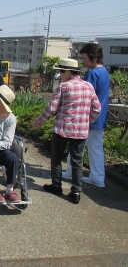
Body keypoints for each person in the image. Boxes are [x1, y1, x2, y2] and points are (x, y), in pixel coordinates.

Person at [33, 58, 101, 204]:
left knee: (57, 158)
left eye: (61, 71)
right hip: (80, 131)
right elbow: (97, 108)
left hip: (62, 129)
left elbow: (52, 108)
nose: (60, 74)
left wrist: (39, 122)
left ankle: (56, 185)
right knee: (77, 161)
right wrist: (87, 121)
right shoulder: (88, 86)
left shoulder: (63, 87)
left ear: (69, 72)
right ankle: (76, 191)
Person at [62, 43, 109, 188]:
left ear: (93, 58)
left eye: (84, 58)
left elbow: (83, 95)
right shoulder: (105, 72)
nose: (83, 61)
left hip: (86, 118)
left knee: (77, 148)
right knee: (96, 149)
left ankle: (70, 171)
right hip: (100, 118)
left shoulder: (92, 74)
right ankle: (98, 177)